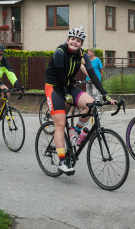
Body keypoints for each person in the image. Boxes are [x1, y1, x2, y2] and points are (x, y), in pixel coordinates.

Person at [44, 28, 115, 174]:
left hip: (69, 86)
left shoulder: (83, 55)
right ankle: (62, 161)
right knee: (60, 124)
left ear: (81, 44)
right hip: (55, 88)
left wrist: (105, 94)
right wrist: (65, 94)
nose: (75, 42)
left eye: (78, 40)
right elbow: (61, 75)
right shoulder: (60, 52)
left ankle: (75, 132)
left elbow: (93, 75)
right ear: (68, 39)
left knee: (91, 105)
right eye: (72, 39)